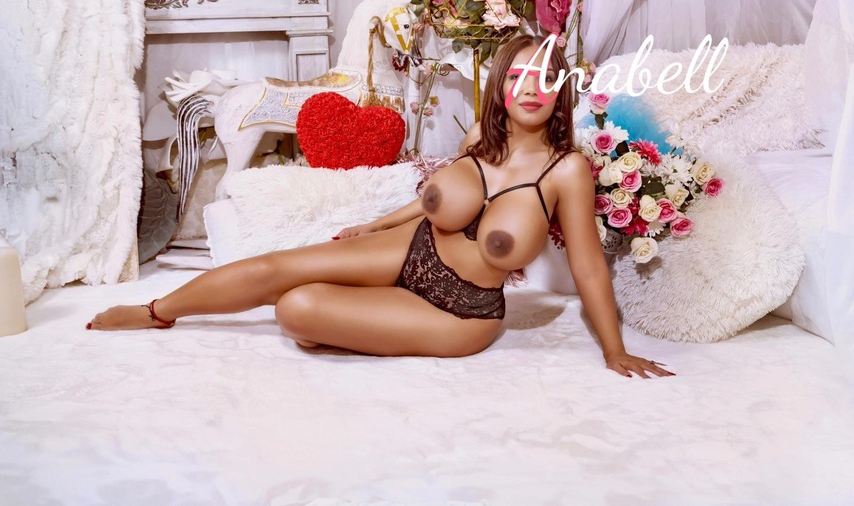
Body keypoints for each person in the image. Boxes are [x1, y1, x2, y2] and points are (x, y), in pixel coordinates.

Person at [87, 35, 674, 379]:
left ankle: (343, 324)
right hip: (412, 249)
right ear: (500, 86)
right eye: (517, 76)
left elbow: (588, 266)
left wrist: (614, 350)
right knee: (276, 267)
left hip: (461, 312)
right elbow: (433, 204)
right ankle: (158, 311)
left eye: (543, 78)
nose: (529, 88)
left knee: (296, 309)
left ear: (559, 90)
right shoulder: (479, 138)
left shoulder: (567, 170)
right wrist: (374, 225)